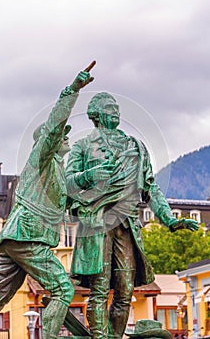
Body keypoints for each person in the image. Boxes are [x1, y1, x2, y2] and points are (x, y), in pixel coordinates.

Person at [65, 90, 199, 339]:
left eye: (116, 106)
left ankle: (114, 337)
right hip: (97, 225)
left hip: (126, 224)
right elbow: (67, 184)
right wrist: (88, 176)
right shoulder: (83, 146)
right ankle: (99, 337)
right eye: (109, 107)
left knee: (125, 291)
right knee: (100, 289)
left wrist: (169, 219)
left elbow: (151, 188)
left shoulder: (135, 147)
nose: (114, 110)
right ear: (96, 115)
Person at [0, 61, 95, 339]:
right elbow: (54, 126)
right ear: (48, 141)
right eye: (61, 136)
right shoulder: (40, 160)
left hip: (19, 239)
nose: (66, 138)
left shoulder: (55, 169)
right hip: (27, 236)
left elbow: (71, 195)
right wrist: (72, 91)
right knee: (63, 290)